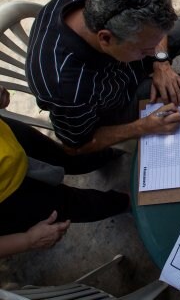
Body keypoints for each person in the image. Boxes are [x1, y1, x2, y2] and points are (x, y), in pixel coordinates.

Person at [26, 0, 180, 154]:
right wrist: (143, 127)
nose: (154, 52)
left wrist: (161, 62)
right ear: (106, 38)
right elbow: (75, 146)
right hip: (116, 101)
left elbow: (156, 41)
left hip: (128, 61)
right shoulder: (66, 88)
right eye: (146, 49)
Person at [0, 86, 129, 257]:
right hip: (10, 199)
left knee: (66, 155)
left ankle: (107, 155)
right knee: (73, 205)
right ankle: (126, 202)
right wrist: (27, 240)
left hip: (9, 136)